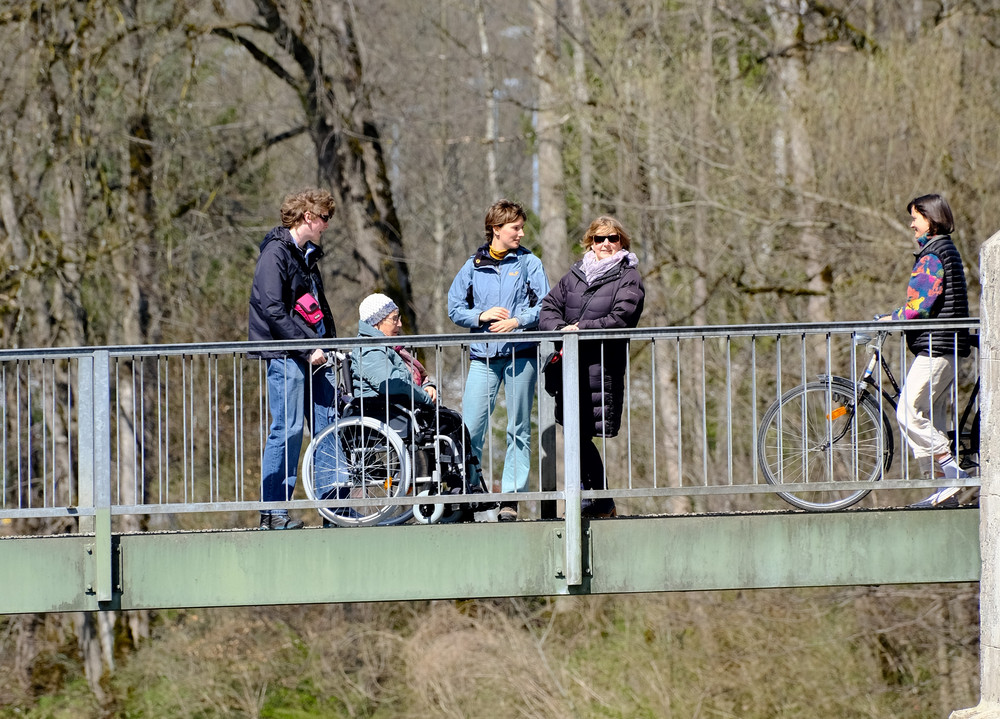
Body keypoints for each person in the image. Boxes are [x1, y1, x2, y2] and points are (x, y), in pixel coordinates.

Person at [447, 199, 550, 521]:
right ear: (496, 229)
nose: (520, 233)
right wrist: (480, 315)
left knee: (518, 428)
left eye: (521, 228)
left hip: (521, 357)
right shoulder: (473, 266)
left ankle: (511, 499)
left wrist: (517, 322)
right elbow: (454, 309)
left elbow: (545, 305)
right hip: (483, 357)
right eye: (514, 228)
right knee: (471, 428)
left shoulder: (530, 262)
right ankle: (469, 493)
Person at [539, 216, 645, 518]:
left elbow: (621, 317)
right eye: (599, 239)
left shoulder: (629, 277)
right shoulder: (576, 274)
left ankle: (597, 499)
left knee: (582, 433)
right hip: (570, 367)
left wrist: (579, 328)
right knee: (574, 432)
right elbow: (548, 307)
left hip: (601, 367)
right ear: (591, 243)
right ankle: (597, 498)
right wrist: (562, 330)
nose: (606, 244)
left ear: (621, 241)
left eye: (612, 238)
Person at [248, 189, 339, 529]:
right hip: (288, 355)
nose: (327, 226)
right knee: (287, 430)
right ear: (308, 218)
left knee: (328, 427)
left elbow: (315, 307)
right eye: (324, 219)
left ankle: (336, 510)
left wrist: (329, 345)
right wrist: (306, 348)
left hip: (315, 356)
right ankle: (273, 512)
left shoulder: (305, 255)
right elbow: (272, 308)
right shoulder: (275, 253)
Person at [352, 293, 486, 510]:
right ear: (377, 321)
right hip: (385, 413)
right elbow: (392, 385)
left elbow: (409, 378)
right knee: (449, 423)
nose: (400, 324)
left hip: (399, 409)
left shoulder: (385, 346)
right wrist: (424, 397)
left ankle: (460, 486)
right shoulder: (370, 350)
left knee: (452, 421)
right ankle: (457, 487)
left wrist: (426, 387)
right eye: (394, 318)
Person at [880, 193, 972, 508]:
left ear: (930, 219)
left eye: (915, 218)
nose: (911, 224)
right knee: (929, 415)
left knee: (906, 411)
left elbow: (919, 304)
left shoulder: (934, 254)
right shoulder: (944, 250)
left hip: (938, 346)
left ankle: (951, 472)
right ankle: (943, 491)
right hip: (947, 344)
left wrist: (886, 320)